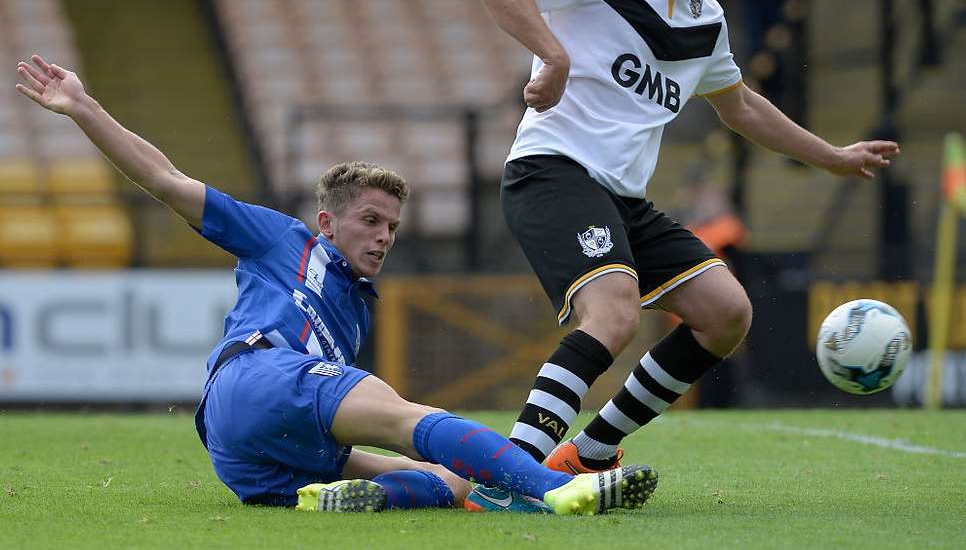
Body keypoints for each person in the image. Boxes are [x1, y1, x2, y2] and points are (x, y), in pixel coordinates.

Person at [14, 55, 658, 515]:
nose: (383, 237)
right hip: (257, 379)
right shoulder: (282, 240)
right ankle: (553, 487)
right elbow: (167, 181)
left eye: (393, 227)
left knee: (443, 480)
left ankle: (355, 500)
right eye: (370, 221)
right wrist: (83, 108)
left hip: (244, 453)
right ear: (327, 222)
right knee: (412, 420)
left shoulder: (353, 309)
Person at [473, 0, 900, 474]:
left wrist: (830, 156)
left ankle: (587, 457)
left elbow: (742, 107)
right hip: (553, 170)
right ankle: (508, 472)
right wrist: (554, 54)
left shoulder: (707, 21)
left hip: (622, 197)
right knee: (614, 312)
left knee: (727, 313)